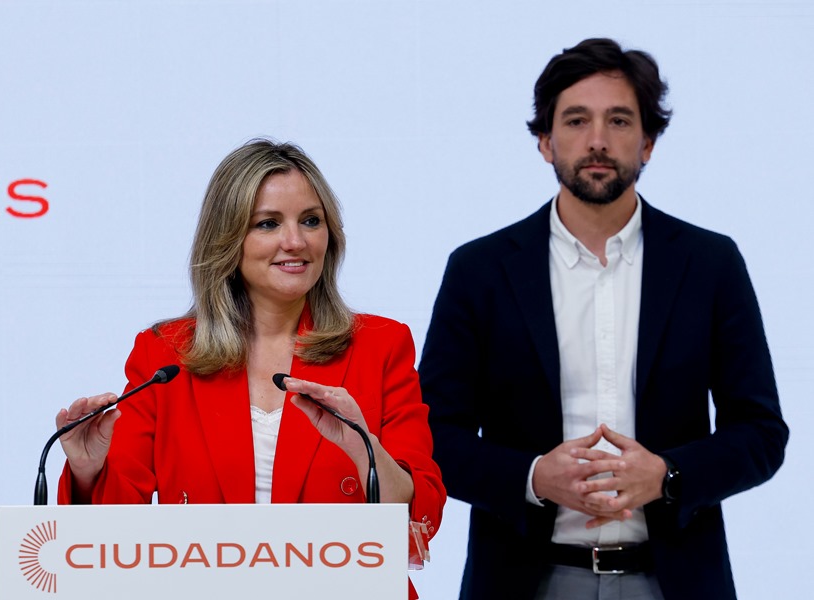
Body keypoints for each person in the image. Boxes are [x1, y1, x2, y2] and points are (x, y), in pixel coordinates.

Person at [419, 38, 788, 600]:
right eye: (575, 120)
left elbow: (761, 434)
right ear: (545, 141)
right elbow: (431, 436)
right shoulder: (480, 270)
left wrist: (667, 476)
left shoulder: (710, 264)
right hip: (523, 581)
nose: (596, 140)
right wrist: (533, 477)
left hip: (676, 582)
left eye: (619, 120)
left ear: (647, 142)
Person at [55, 138, 445, 599]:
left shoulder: (380, 345)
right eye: (268, 224)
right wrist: (85, 468)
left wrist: (364, 449)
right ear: (228, 238)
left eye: (311, 221)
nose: (295, 241)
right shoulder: (165, 355)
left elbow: (422, 519)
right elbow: (116, 536)